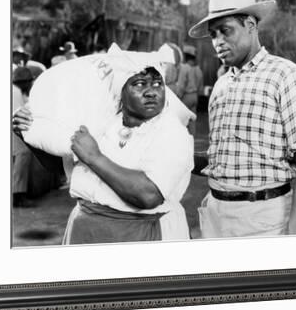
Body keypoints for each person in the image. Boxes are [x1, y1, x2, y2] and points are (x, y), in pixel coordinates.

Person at [13, 53, 194, 245]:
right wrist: (27, 135)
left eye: (158, 83)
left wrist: (95, 157)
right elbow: (64, 170)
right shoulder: (102, 124)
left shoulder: (172, 132)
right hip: (85, 230)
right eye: (140, 84)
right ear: (120, 91)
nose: (151, 91)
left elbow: (149, 195)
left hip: (136, 236)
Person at [189, 0, 296, 238]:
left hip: (263, 219)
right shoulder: (221, 84)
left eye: (225, 31)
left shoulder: (285, 75)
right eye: (213, 34)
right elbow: (230, 159)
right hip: (214, 214)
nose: (218, 42)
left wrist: (292, 237)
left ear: (250, 24)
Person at [12, 66, 36, 207]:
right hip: (15, 131)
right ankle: (19, 196)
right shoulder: (15, 92)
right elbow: (22, 115)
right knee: (23, 155)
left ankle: (18, 194)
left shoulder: (15, 90)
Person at [176, 45, 204, 135]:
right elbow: (200, 86)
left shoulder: (184, 68)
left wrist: (177, 97)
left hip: (186, 96)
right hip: (195, 96)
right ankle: (192, 140)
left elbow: (181, 85)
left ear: (186, 56)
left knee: (181, 120)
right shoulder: (198, 69)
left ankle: (182, 140)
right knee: (192, 121)